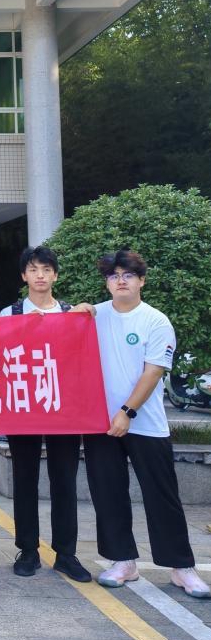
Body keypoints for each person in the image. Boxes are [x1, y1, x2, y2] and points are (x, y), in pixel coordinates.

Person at [81, 250, 209, 598]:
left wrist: (127, 411)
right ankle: (123, 561)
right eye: (113, 275)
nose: (120, 281)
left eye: (128, 275)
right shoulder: (94, 315)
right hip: (100, 423)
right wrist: (75, 311)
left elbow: (152, 373)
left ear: (142, 281)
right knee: (108, 493)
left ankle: (181, 567)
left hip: (144, 423)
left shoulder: (156, 321)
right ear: (107, 283)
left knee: (161, 495)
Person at [0, 246, 90, 583]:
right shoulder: (10, 313)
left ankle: (66, 553)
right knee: (24, 478)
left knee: (64, 480)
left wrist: (87, 313)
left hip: (63, 409)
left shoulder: (71, 314)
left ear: (55, 275)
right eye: (34, 269)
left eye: (46, 269)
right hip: (23, 407)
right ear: (24, 275)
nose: (40, 275)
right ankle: (28, 550)